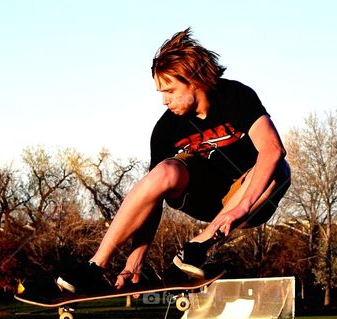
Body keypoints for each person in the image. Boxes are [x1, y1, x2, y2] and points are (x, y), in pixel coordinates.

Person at [56, 28, 290, 294]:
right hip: (202, 199)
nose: (164, 100)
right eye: (160, 93)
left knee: (278, 167)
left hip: (250, 198)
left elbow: (273, 149)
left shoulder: (236, 96)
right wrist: (135, 259)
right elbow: (151, 200)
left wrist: (239, 209)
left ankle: (197, 247)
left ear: (194, 80)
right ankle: (95, 266)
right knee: (165, 170)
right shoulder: (166, 128)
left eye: (169, 90)